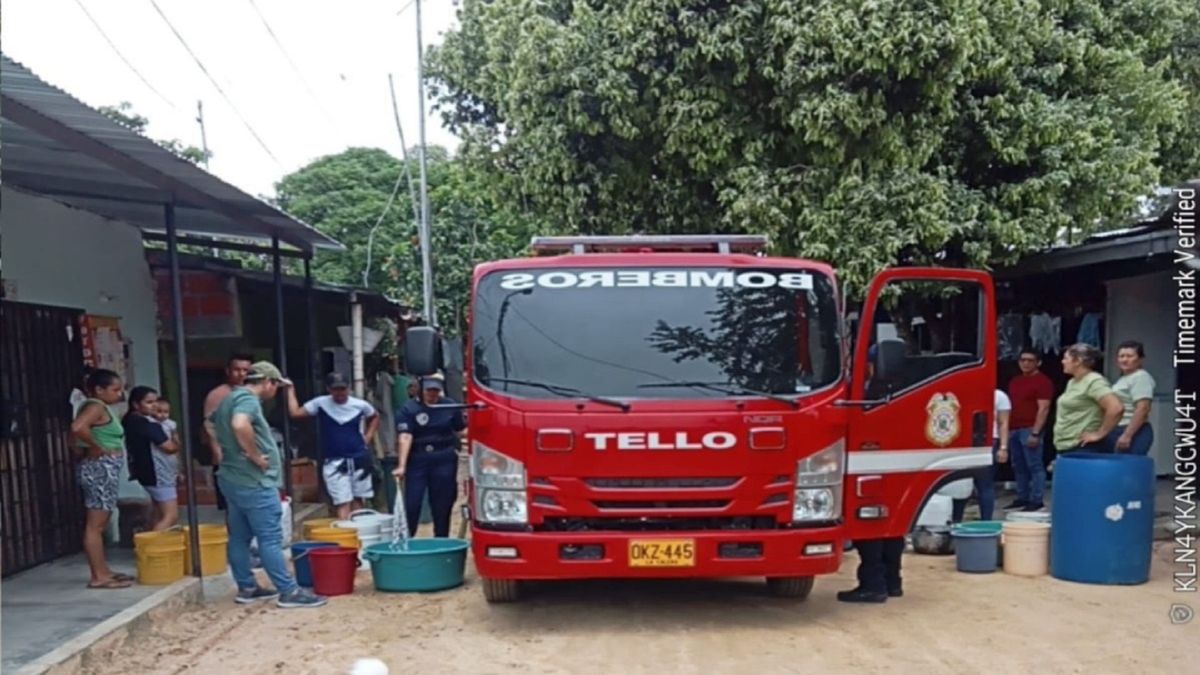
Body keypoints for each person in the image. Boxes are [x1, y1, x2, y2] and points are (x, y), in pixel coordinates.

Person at [212, 361, 326, 608]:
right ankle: (288, 591)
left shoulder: (228, 399)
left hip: (232, 477)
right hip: (254, 480)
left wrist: (229, 451)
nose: (276, 391)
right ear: (267, 382)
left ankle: (247, 587)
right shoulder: (248, 400)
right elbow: (239, 424)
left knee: (239, 537)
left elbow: (211, 424)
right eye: (276, 385)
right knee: (270, 538)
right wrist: (254, 455)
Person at [70, 369, 134, 589]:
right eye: (115, 389)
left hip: (102, 467)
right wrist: (96, 447)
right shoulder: (95, 406)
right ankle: (98, 576)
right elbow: (77, 428)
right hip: (100, 468)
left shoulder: (95, 407)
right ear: (99, 389)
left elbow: (74, 436)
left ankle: (103, 570)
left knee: (101, 521)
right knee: (95, 525)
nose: (119, 394)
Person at [287, 372, 381, 520]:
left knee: (359, 500)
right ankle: (346, 531)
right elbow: (295, 413)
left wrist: (368, 436)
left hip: (359, 458)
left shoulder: (360, 405)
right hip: (334, 460)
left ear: (348, 388)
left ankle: (361, 530)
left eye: (342, 389)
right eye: (335, 389)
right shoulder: (320, 403)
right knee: (342, 502)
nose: (339, 393)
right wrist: (290, 390)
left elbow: (374, 416)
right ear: (329, 389)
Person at [392, 373, 465, 538]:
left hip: (444, 457)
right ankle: (407, 539)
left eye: (435, 391)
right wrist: (402, 466)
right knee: (413, 502)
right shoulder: (409, 409)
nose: (432, 394)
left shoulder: (449, 406)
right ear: (420, 390)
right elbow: (405, 436)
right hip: (418, 458)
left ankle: (441, 539)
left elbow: (460, 430)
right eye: (428, 390)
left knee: (443, 503)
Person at [122, 386, 181, 531]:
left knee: (158, 513)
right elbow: (169, 447)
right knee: (170, 515)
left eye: (155, 401)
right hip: (158, 474)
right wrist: (176, 439)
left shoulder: (131, 420)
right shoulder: (147, 424)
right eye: (149, 402)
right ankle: (154, 543)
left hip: (147, 472)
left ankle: (150, 539)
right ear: (136, 404)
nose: (154, 406)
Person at [202, 353, 254, 511]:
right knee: (231, 505)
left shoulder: (252, 392)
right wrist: (217, 452)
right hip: (228, 455)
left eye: (245, 370)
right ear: (228, 371)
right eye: (237, 370)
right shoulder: (218, 394)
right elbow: (209, 425)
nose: (241, 374)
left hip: (249, 455)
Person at [1004, 349, 1054, 511]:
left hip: (1030, 428)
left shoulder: (1043, 382)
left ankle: (1036, 500)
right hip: (1013, 428)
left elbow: (1044, 409)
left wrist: (1036, 432)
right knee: (1018, 465)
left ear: (1038, 363)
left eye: (1030, 360)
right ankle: (1022, 497)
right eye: (1022, 360)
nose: (1025, 363)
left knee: (1034, 465)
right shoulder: (1015, 381)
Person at [1054, 343, 1124, 456]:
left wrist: (1099, 434)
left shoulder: (1094, 381)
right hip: (1066, 445)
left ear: (1078, 361)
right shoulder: (1072, 382)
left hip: (1082, 446)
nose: (1063, 361)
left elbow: (1116, 408)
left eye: (1066, 358)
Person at [953, 389, 1010, 522]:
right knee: (963, 484)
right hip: (966, 442)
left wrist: (1003, 447)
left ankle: (984, 521)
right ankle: (958, 521)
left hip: (988, 441)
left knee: (983, 484)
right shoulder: (963, 394)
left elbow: (1003, 423)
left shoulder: (999, 396)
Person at [1108, 341, 1156, 455]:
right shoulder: (1124, 378)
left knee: (1128, 464)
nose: (1124, 360)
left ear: (1140, 359)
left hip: (1134, 431)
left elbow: (1143, 408)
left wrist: (1127, 435)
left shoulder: (1140, 377)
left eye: (1129, 356)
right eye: (1121, 356)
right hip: (1118, 428)